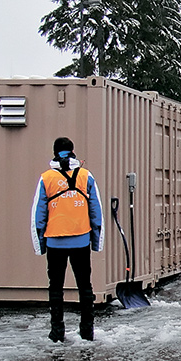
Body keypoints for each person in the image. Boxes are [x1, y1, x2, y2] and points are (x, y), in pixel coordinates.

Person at [31, 136, 103, 342]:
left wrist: (40, 245)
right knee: (85, 286)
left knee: (55, 287)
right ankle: (87, 332)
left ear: (55, 152)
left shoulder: (46, 178)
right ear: (73, 151)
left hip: (55, 241)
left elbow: (39, 215)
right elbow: (96, 212)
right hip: (81, 240)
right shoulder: (86, 176)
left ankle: (57, 332)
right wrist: (96, 241)